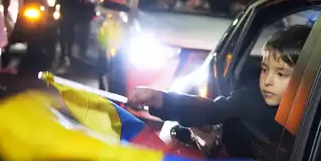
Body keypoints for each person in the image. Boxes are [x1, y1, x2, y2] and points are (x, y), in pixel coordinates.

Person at [128, 25, 311, 134]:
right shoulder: (250, 99)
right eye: (264, 70)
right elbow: (208, 110)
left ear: (307, 78)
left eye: (281, 74)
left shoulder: (317, 110)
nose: (267, 81)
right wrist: (160, 99)